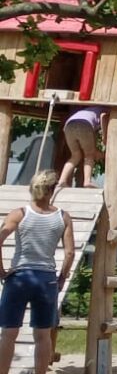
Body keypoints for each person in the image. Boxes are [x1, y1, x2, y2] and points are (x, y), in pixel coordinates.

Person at [0, 171, 75, 374]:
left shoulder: (19, 214)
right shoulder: (63, 217)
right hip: (46, 280)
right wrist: (61, 277)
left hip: (19, 277)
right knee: (42, 335)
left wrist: (1, 270)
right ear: (51, 190)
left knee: (8, 333)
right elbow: (69, 253)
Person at [55, 108, 101, 190]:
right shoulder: (105, 109)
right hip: (85, 125)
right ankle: (87, 182)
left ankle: (62, 180)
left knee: (75, 156)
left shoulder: (88, 110)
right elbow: (103, 117)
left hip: (69, 125)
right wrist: (105, 138)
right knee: (89, 155)